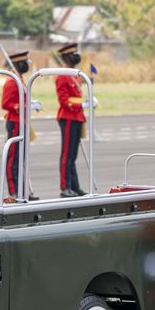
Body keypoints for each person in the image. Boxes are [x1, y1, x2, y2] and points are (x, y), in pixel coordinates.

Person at [1, 51, 41, 200]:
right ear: (18, 64)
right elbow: (5, 104)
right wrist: (24, 106)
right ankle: (14, 191)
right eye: (24, 62)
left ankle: (23, 191)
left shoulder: (20, 79)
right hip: (15, 122)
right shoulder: (12, 81)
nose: (27, 64)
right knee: (13, 159)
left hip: (22, 122)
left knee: (22, 159)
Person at [55, 43, 89, 197]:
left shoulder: (74, 74)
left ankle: (74, 186)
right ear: (67, 57)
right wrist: (81, 104)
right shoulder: (62, 74)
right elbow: (64, 101)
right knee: (67, 155)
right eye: (73, 53)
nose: (76, 55)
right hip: (68, 117)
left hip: (76, 116)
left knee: (73, 155)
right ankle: (65, 187)